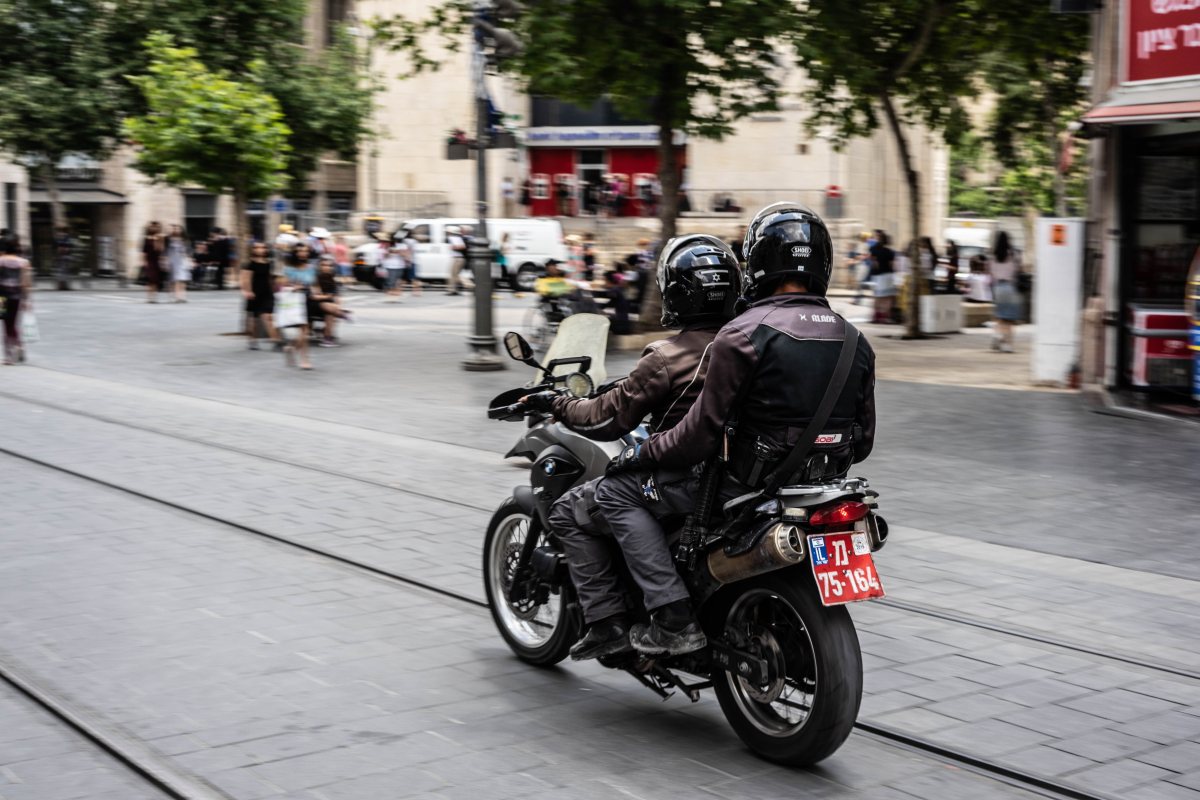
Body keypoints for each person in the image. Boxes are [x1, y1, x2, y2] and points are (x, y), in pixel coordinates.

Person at [597, 204, 877, 655]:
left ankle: (672, 618)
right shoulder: (854, 339)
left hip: (739, 488)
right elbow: (862, 441)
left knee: (616, 491)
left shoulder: (742, 334)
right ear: (823, 262)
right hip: (822, 487)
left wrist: (639, 454)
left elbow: (698, 437)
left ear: (758, 262)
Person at [521, 234, 743, 660]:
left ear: (677, 292)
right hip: (738, 475)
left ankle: (614, 621)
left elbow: (606, 419)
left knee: (575, 507)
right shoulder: (751, 344)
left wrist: (560, 403)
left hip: (686, 476)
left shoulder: (667, 356)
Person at [281, 244, 315, 369]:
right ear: (295, 253)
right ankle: (304, 359)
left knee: (305, 332)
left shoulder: (311, 268)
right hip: (295, 302)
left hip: (309, 300)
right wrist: (293, 287)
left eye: (305, 251)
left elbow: (313, 285)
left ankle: (290, 348)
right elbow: (282, 286)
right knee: (304, 332)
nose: (303, 253)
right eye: (300, 251)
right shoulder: (289, 269)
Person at [0, 236, 33, 365]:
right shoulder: (24, 262)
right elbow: (26, 283)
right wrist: (27, 300)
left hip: (1, 297)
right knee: (13, 323)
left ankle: (9, 356)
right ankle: (19, 346)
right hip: (16, 296)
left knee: (6, 325)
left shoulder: (1, 261)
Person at [241, 241, 279, 350]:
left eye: (262, 248)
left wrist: (275, 288)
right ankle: (252, 340)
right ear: (253, 250)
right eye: (257, 248)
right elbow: (246, 279)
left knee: (268, 316)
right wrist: (248, 291)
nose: (260, 250)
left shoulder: (268, 263)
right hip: (254, 293)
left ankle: (275, 340)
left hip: (267, 292)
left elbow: (270, 278)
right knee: (254, 318)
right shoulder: (250, 263)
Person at [990, 232, 1021, 353]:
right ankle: (1007, 345)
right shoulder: (1013, 255)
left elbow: (991, 273)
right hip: (1009, 287)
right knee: (1009, 319)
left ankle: (997, 334)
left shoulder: (993, 257)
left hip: (997, 287)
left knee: (999, 316)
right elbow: (1018, 270)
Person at [311, 256, 351, 347]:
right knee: (328, 307)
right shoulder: (315, 278)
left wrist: (337, 305)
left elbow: (337, 297)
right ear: (319, 267)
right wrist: (327, 296)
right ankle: (341, 314)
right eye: (324, 265)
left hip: (328, 305)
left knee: (330, 312)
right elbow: (314, 296)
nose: (326, 267)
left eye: (329, 266)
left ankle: (327, 339)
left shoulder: (333, 280)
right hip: (315, 304)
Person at [868, 229, 896, 323]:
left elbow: (874, 263)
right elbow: (892, 265)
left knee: (877, 297)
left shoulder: (873, 249)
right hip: (888, 275)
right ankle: (885, 316)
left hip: (878, 276)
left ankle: (876, 316)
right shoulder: (890, 252)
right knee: (888, 298)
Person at [166, 225, 191, 303]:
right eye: (176, 229)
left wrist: (189, 259)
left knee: (182, 280)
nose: (177, 231)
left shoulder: (185, 240)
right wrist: (166, 260)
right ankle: (174, 297)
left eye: (179, 229)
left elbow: (188, 251)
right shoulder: (170, 240)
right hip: (173, 261)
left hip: (182, 261)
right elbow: (167, 251)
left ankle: (182, 296)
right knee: (173, 280)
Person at [142, 221, 165, 303]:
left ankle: (154, 298)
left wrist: (157, 240)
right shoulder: (146, 238)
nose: (154, 228)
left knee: (155, 280)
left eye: (156, 227)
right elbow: (144, 251)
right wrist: (144, 261)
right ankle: (149, 298)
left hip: (157, 261)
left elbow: (160, 250)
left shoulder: (160, 238)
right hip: (149, 261)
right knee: (150, 279)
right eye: (152, 226)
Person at [446, 225, 467, 295]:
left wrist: (453, 247)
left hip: (457, 258)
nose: (447, 233)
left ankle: (470, 285)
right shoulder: (457, 237)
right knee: (454, 275)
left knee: (454, 275)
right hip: (458, 258)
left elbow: (462, 246)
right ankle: (453, 290)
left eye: (447, 231)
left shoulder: (453, 238)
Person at [54, 226, 73, 291]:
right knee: (64, 272)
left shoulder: (61, 237)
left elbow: (59, 247)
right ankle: (63, 286)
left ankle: (62, 286)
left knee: (62, 272)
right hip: (64, 256)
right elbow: (62, 247)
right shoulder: (65, 237)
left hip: (62, 256)